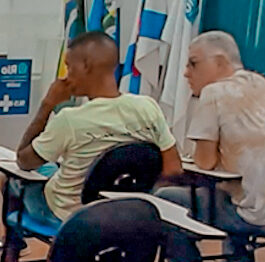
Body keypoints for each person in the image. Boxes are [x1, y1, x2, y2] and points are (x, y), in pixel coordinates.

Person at [156, 31, 265, 262]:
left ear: (220, 62)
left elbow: (205, 163)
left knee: (164, 200)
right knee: (231, 189)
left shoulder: (214, 92)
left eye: (193, 64)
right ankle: (239, 261)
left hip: (251, 214)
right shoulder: (259, 82)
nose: (185, 73)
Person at [17, 30, 182, 224]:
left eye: (70, 68)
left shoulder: (70, 119)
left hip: (71, 216)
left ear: (86, 66)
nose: (66, 77)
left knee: (13, 182)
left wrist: (47, 105)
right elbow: (173, 169)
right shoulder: (148, 108)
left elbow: (24, 161)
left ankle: (12, 250)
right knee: (52, 168)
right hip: (128, 214)